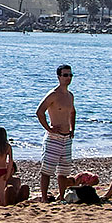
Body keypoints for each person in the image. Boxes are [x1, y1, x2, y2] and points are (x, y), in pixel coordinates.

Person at [35, 64, 76, 203]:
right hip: (54, 138)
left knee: (64, 171)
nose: (68, 78)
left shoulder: (70, 95)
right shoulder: (53, 94)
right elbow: (40, 112)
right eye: (65, 75)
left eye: (70, 75)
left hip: (66, 137)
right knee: (47, 170)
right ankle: (44, 198)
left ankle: (62, 196)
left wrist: (72, 129)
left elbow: (72, 112)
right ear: (59, 77)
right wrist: (49, 128)